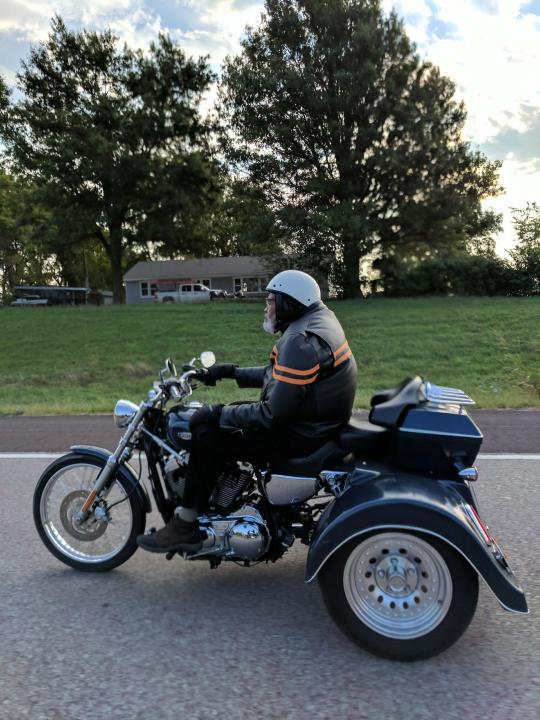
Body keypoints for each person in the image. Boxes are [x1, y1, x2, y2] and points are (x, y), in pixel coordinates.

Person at [137, 270, 357, 553]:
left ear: (289, 303)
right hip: (314, 424)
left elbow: (270, 415)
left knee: (207, 436)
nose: (266, 307)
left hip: (300, 435)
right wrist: (228, 372)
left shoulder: (299, 341)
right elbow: (280, 376)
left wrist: (216, 413)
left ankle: (185, 526)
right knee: (227, 417)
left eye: (271, 300)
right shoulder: (318, 322)